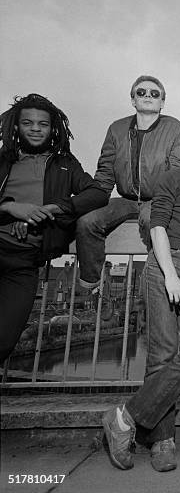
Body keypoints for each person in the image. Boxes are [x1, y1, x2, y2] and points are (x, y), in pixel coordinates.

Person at [102, 118, 180, 472]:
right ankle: (162, 441)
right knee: (162, 355)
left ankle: (125, 416)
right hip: (165, 266)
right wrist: (170, 275)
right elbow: (158, 226)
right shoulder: (172, 178)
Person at [0, 94, 107, 362]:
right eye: (28, 122)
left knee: (4, 340)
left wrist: (57, 208)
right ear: (16, 126)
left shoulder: (64, 165)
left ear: (52, 129)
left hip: (23, 263)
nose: (35, 129)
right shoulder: (3, 161)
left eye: (42, 124)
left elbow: (97, 193)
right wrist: (10, 208)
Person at [76, 75, 180, 292]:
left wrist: (166, 201)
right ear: (133, 100)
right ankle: (94, 284)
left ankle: (158, 281)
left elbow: (176, 172)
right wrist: (90, 201)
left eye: (155, 94)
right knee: (87, 221)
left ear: (162, 102)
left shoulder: (174, 128)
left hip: (158, 198)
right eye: (141, 92)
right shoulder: (117, 129)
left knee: (152, 220)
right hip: (125, 199)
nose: (148, 96)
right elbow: (105, 172)